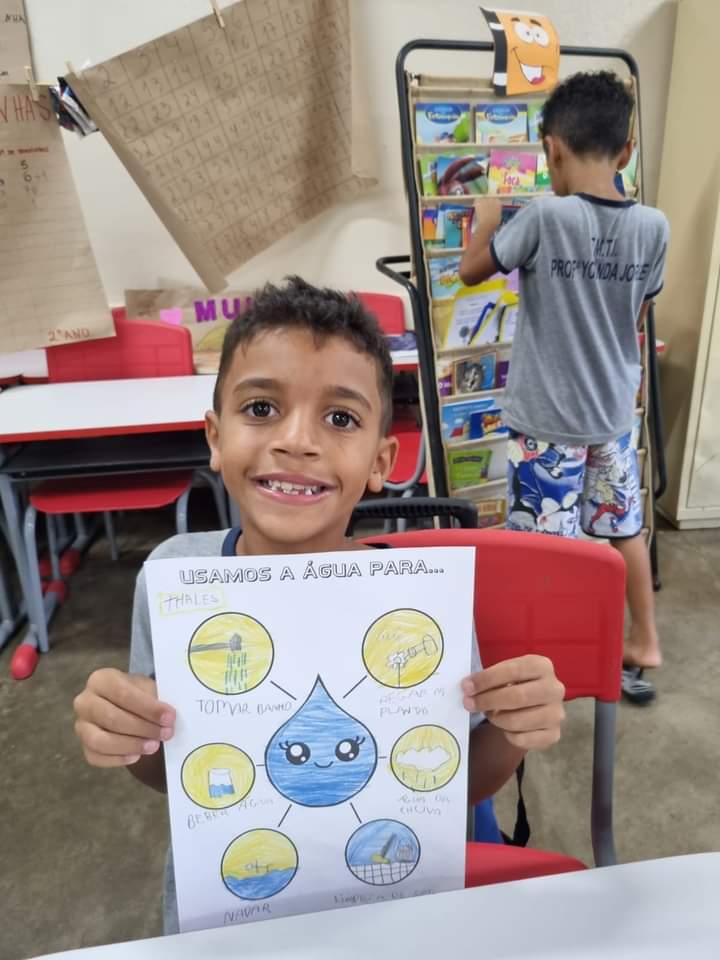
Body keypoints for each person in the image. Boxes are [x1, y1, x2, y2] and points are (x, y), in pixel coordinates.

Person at [73, 276, 565, 933]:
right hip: (233, 906)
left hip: (389, 911)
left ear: (381, 461)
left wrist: (511, 728)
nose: (297, 441)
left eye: (340, 419)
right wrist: (126, 734)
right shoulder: (174, 577)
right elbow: (174, 773)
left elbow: (454, 783)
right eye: (261, 409)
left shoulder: (418, 600)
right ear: (215, 437)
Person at [459, 71, 669, 704]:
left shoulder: (545, 216)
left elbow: (471, 271)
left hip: (547, 422)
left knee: (543, 545)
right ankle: (645, 641)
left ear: (551, 148)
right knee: (623, 528)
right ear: (626, 151)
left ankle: (544, 654)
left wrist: (484, 221)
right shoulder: (653, 227)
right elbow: (635, 317)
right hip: (613, 415)